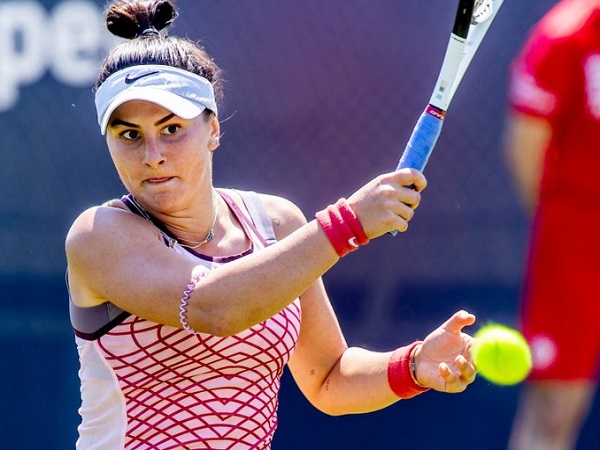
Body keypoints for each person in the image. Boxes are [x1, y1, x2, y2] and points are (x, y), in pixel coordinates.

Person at [66, 1, 478, 448]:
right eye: (129, 135)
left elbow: (329, 379)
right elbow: (212, 308)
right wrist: (348, 224)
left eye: (171, 129)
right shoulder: (98, 236)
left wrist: (415, 364)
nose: (153, 155)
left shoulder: (275, 224)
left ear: (213, 130)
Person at [503, 0, 600, 449]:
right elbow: (526, 151)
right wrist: (567, 234)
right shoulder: (565, 36)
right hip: (578, 235)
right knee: (554, 409)